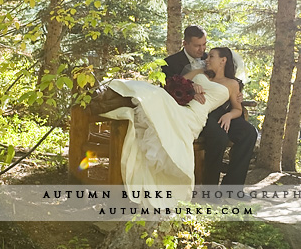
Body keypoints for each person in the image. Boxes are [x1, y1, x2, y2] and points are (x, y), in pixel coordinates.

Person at [99, 48, 240, 207]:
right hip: (180, 107)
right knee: (157, 94)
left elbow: (238, 108)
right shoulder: (200, 72)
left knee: (157, 107)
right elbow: (172, 84)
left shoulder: (232, 84)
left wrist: (229, 115)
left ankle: (108, 97)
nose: (207, 58)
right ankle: (107, 93)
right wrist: (191, 88)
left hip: (195, 116)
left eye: (212, 56)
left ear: (223, 60)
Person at [162, 25, 257, 186]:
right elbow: (171, 88)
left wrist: (237, 96)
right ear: (185, 44)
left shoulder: (213, 57)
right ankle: (210, 187)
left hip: (223, 110)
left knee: (249, 133)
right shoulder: (170, 63)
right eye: (197, 45)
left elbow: (227, 82)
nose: (202, 50)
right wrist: (190, 90)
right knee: (219, 136)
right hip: (197, 109)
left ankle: (232, 186)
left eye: (204, 44)